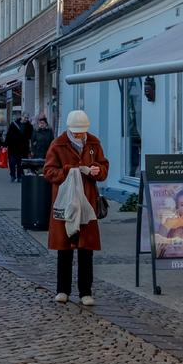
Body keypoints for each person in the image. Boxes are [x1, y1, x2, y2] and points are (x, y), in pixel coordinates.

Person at [43, 109, 109, 306]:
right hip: (65, 202)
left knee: (85, 248)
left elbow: (104, 168)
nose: (79, 135)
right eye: (76, 132)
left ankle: (85, 292)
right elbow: (48, 171)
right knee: (64, 248)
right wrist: (68, 171)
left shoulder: (94, 143)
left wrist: (97, 171)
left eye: (81, 132)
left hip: (87, 202)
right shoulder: (58, 144)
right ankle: (62, 290)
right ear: (70, 130)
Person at [5, 114, 31, 183]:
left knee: (20, 163)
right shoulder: (14, 124)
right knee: (12, 162)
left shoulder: (28, 126)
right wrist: (5, 144)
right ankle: (12, 175)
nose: (26, 119)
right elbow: (8, 135)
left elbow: (30, 136)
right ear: (22, 117)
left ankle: (20, 176)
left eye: (27, 118)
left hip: (23, 148)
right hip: (13, 147)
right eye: (25, 117)